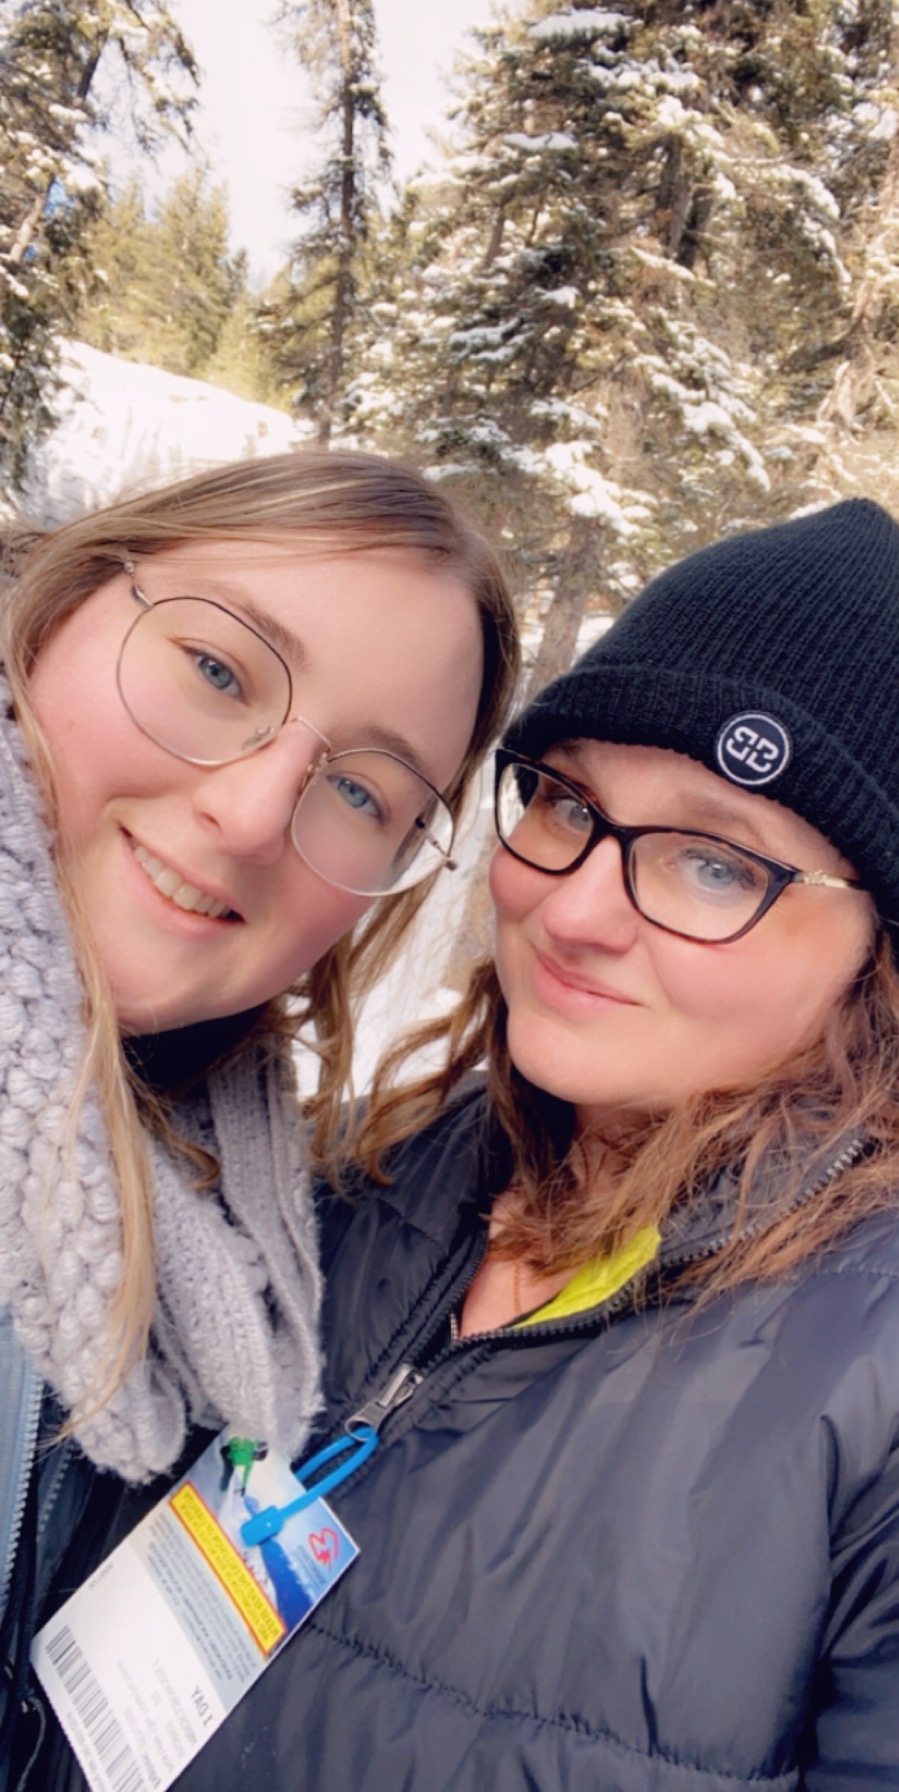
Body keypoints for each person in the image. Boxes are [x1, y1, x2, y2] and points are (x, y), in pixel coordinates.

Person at [30, 497, 899, 1790]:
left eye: (716, 864)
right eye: (564, 803)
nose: (576, 908)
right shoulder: (328, 1181)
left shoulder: (872, 1395)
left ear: (879, 959)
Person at [0, 446, 518, 1777]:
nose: (246, 814)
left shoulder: (218, 1205)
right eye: (219, 670)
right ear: (64, 596)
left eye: (359, 790)